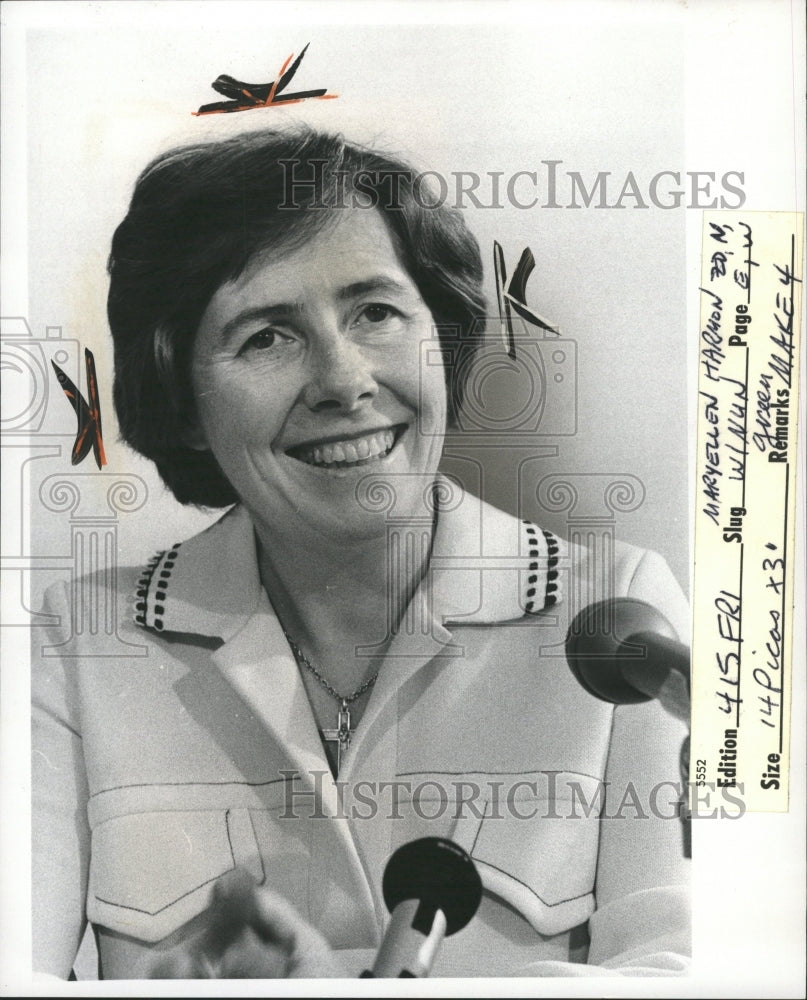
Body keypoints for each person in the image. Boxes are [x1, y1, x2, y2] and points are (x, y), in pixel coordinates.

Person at [32, 125, 691, 980]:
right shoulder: (78, 645)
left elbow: (691, 977)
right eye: (266, 335)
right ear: (183, 402)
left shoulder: (621, 618)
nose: (343, 381)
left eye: (375, 312)